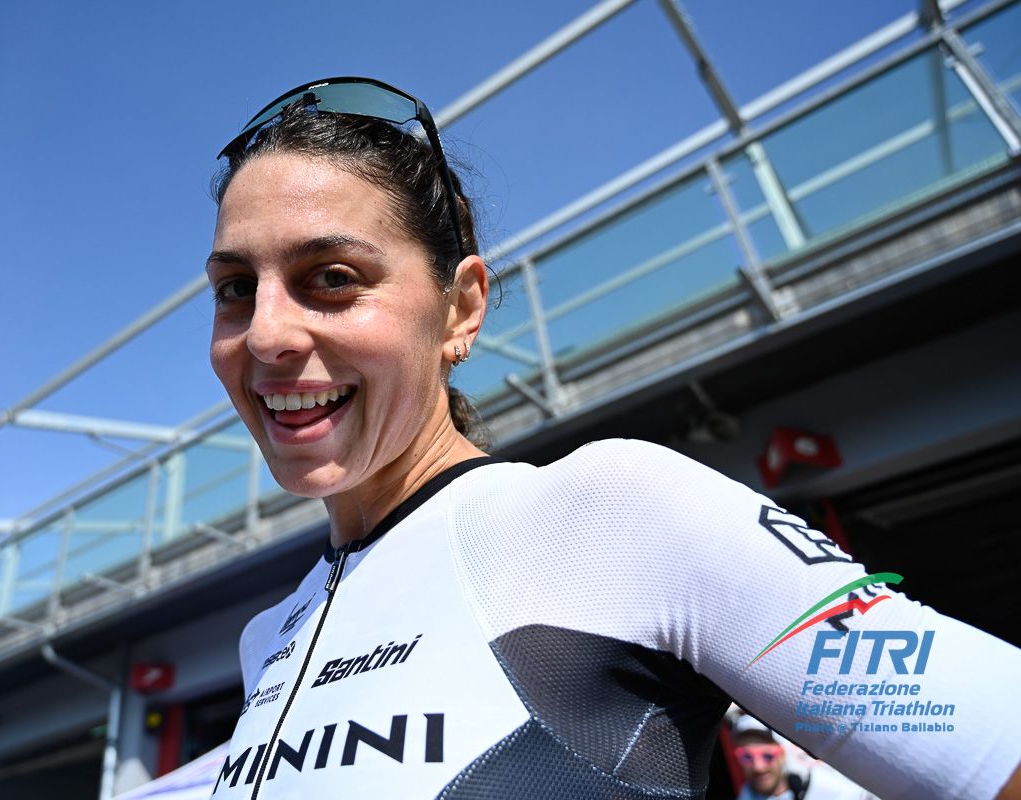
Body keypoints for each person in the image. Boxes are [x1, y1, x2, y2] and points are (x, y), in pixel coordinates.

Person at [204, 77, 1021, 799]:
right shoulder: (266, 638)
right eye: (237, 288)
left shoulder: (614, 514)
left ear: (462, 309)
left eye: (332, 278)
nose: (265, 334)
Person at [730, 714, 875, 800]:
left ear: (783, 754)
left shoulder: (828, 788)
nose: (758, 766)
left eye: (767, 755)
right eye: (746, 756)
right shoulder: (744, 795)